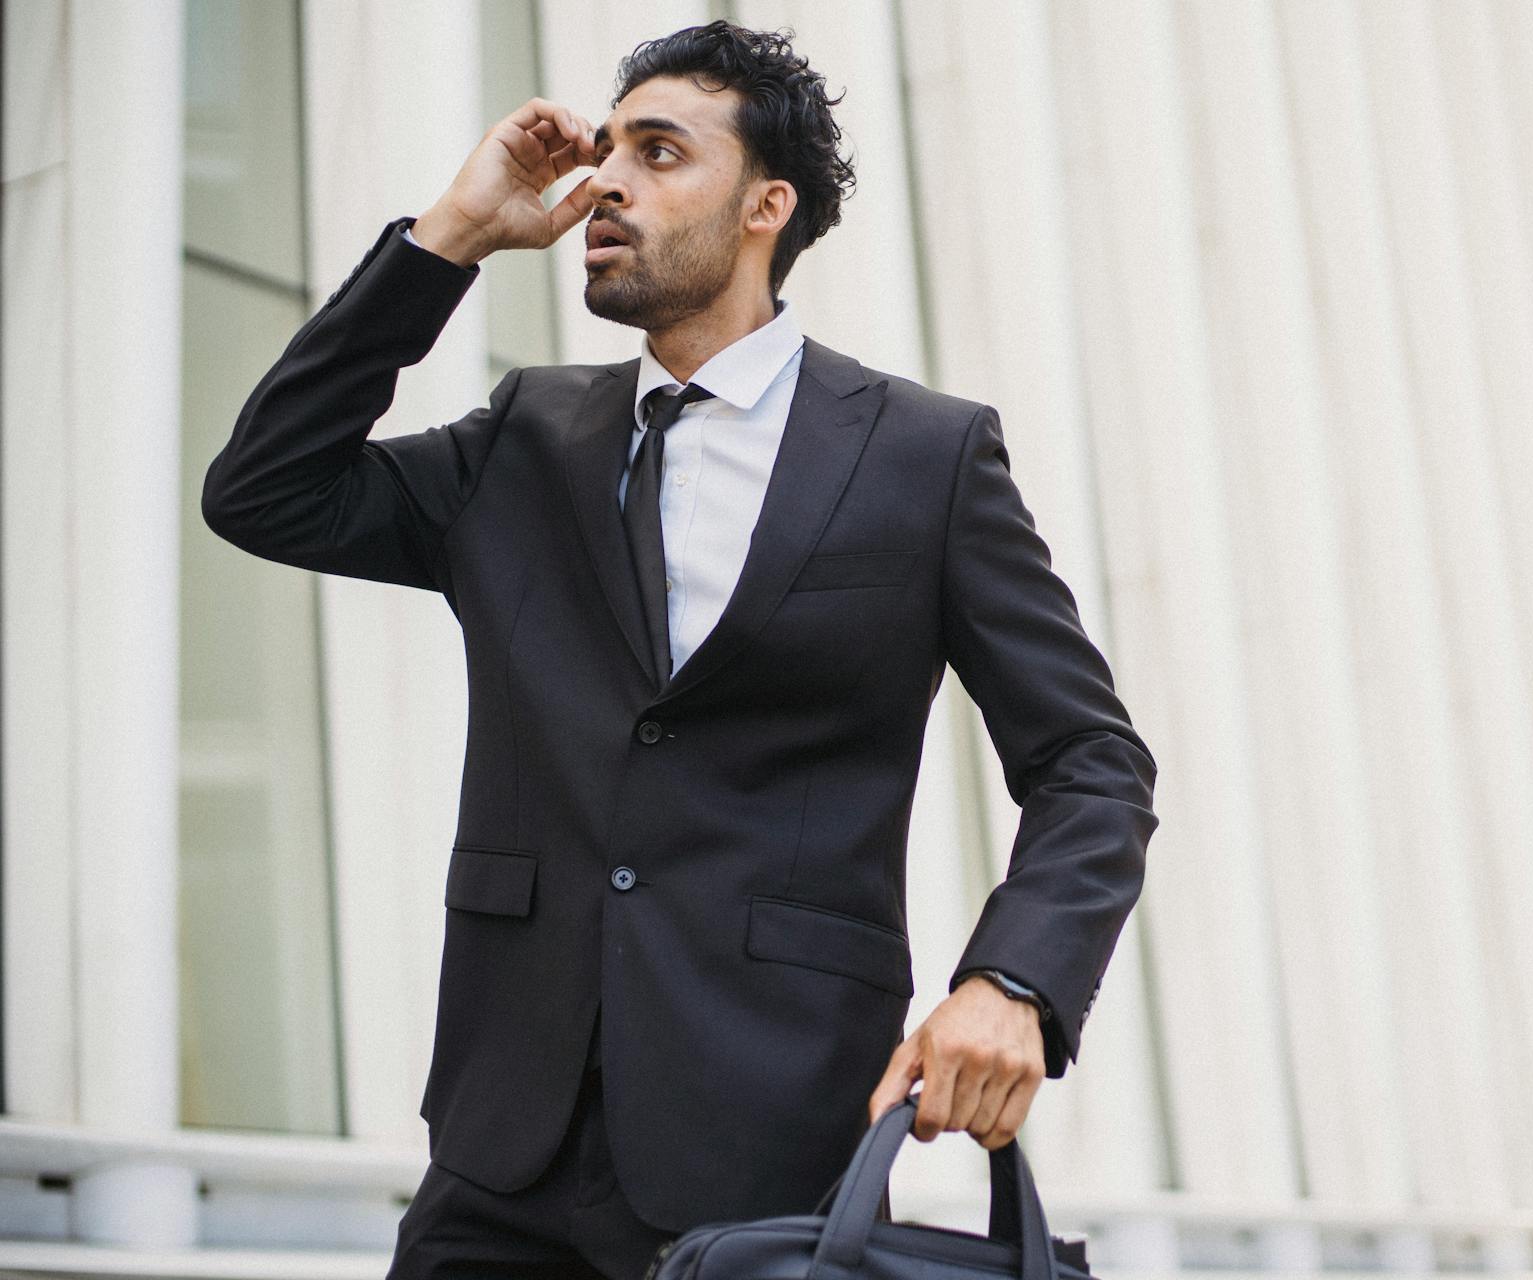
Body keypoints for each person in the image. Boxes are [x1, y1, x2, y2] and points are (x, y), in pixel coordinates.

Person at [202, 19, 1158, 1279]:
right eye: (609, 152)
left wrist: (1015, 982)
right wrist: (453, 235)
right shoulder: (524, 437)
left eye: (660, 155)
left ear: (769, 206)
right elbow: (263, 490)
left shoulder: (925, 458)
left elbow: (1092, 759)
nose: (607, 184)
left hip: (767, 1150)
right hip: (502, 1153)